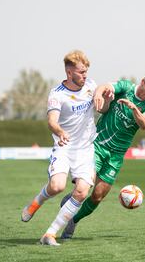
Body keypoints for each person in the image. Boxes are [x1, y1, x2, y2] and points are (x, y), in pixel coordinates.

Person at [60, 70, 145, 239]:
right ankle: (72, 201)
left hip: (116, 156)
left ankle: (74, 219)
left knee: (98, 196)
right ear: (143, 81)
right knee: (87, 185)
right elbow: (104, 86)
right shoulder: (125, 87)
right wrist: (100, 95)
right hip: (98, 146)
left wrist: (134, 108)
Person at [21, 50, 98, 246]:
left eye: (86, 71)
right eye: (81, 72)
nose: (85, 76)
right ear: (69, 72)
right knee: (57, 186)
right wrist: (60, 131)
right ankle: (36, 202)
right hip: (64, 147)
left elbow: (103, 100)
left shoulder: (91, 86)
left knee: (81, 192)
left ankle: (50, 234)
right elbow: (51, 121)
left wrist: (107, 93)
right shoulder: (57, 94)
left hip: (86, 149)